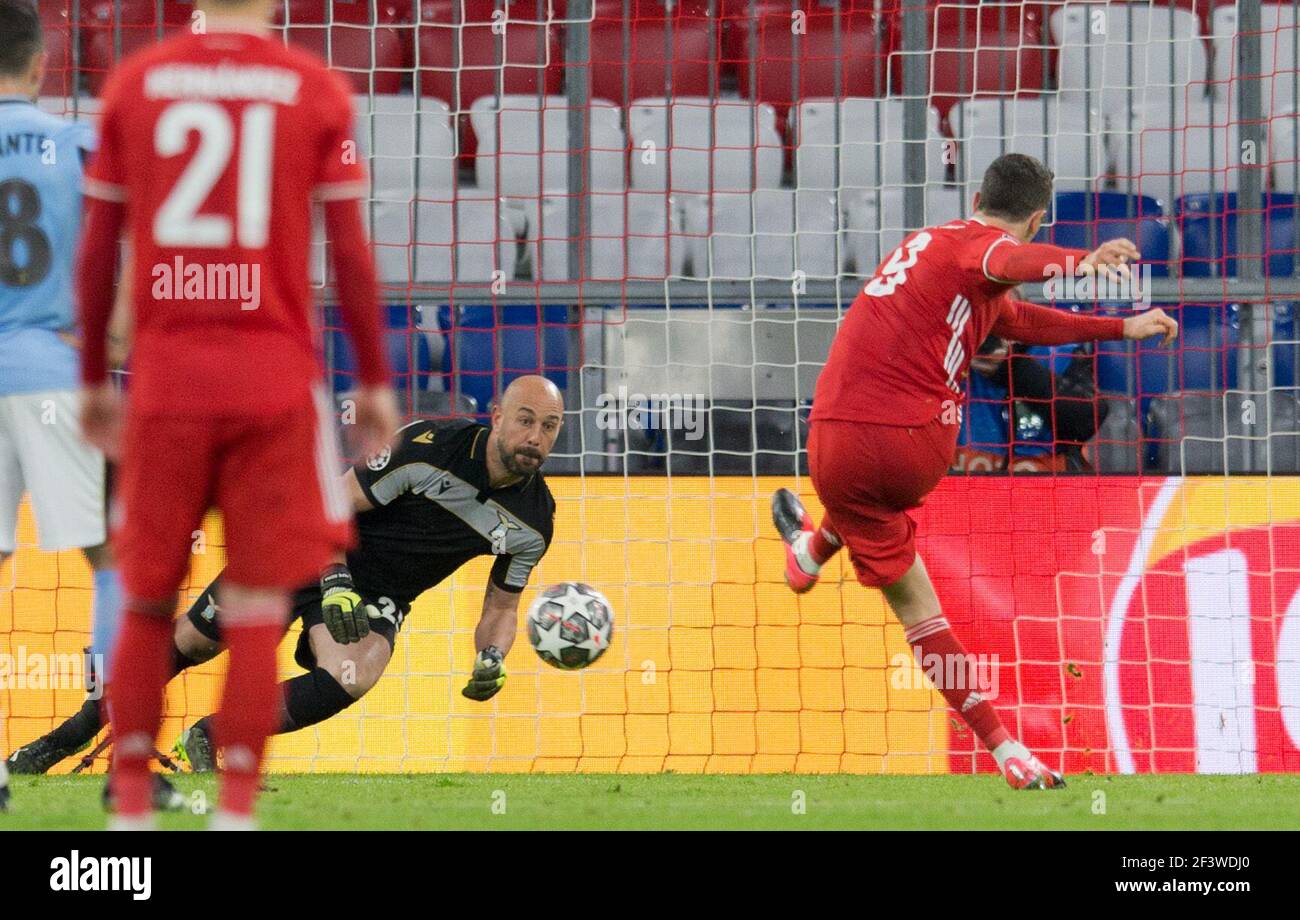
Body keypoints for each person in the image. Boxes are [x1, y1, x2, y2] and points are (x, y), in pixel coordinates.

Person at [76, 0, 398, 829]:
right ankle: (237, 810)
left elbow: (97, 242)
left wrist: (92, 378)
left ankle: (134, 811)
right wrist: (372, 378)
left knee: (149, 602)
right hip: (273, 384)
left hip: (167, 382)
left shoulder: (135, 83)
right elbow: (352, 253)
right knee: (257, 605)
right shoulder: (313, 88)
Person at [771, 153, 1178, 789]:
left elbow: (1020, 316)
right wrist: (1079, 262)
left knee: (918, 614)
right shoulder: (983, 252)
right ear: (1037, 219)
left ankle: (1005, 748)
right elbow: (1006, 262)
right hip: (913, 451)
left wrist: (1119, 326)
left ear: (978, 193)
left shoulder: (932, 243)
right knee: (875, 519)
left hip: (841, 438)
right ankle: (811, 551)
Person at [11, 377, 562, 775]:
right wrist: (334, 578)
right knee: (191, 644)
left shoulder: (533, 524)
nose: (535, 437)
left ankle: (209, 737)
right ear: (498, 416)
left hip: (378, 595)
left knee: (354, 673)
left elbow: (501, 609)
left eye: (550, 426)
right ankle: (68, 736)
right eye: (526, 420)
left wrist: (492, 656)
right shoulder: (426, 450)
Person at [0, 0, 123, 810]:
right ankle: (130, 756)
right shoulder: (78, 144)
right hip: (53, 372)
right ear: (41, 65)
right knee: (111, 558)